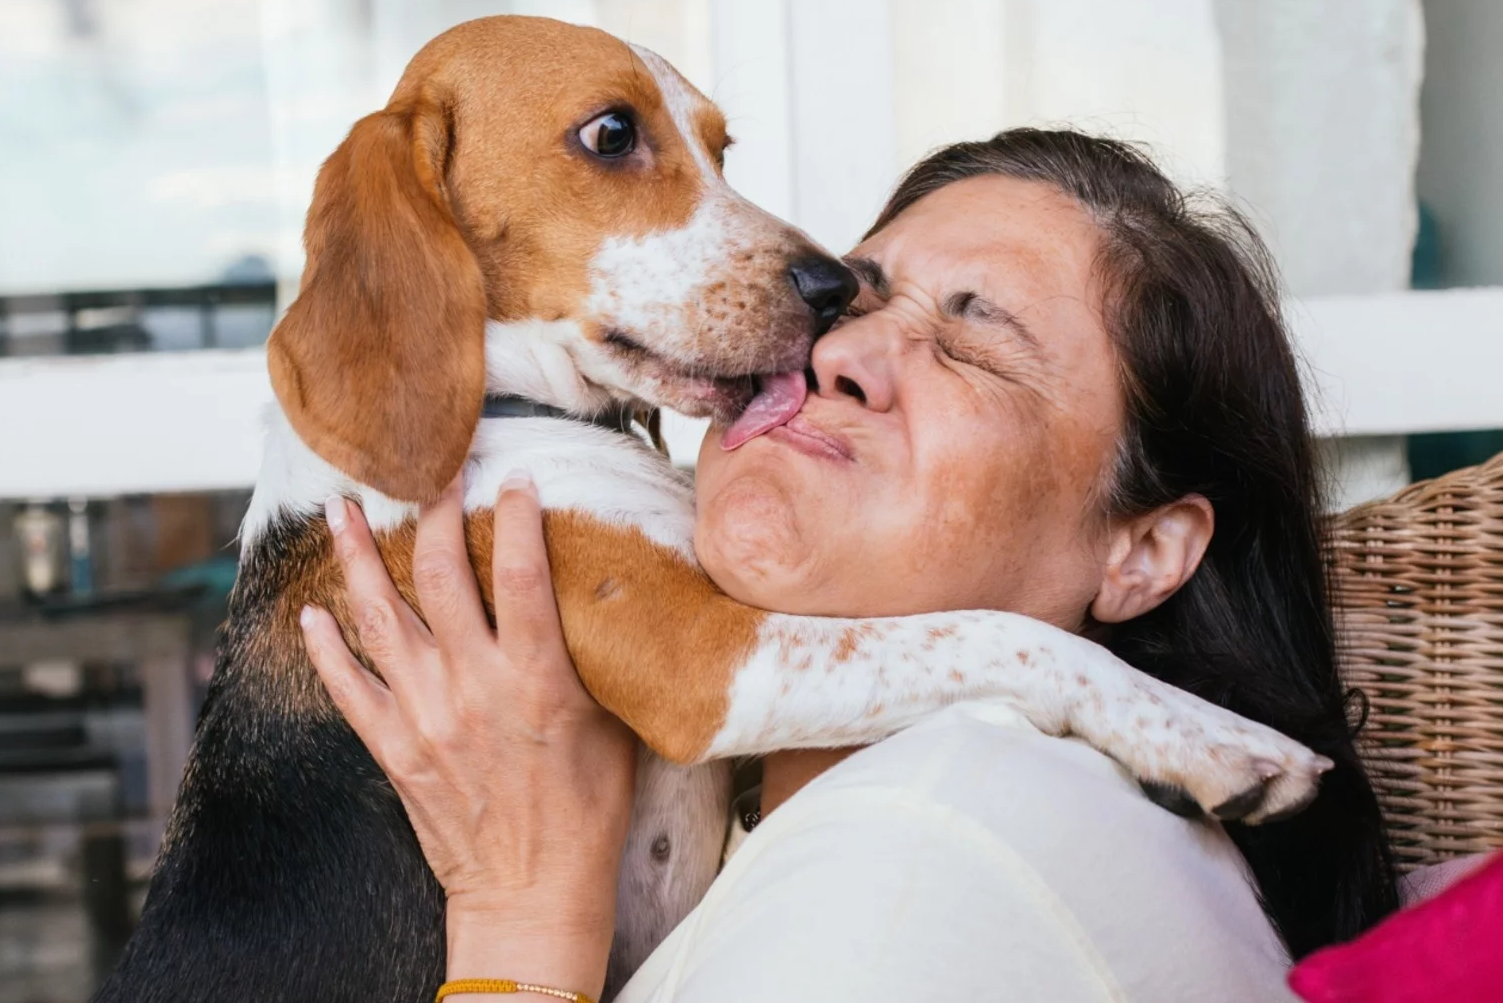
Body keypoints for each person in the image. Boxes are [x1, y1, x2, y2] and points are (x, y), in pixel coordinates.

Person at [300, 129, 1399, 1002]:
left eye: (975, 344)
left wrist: (520, 923)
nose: (840, 354)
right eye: (849, 297)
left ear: (1144, 552)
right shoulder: (785, 823)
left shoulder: (924, 858)